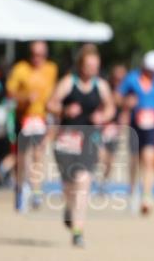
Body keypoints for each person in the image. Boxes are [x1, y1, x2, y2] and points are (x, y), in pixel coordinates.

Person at [46, 44, 115, 247]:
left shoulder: (101, 86)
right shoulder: (68, 83)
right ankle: (69, 208)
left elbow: (111, 107)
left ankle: (78, 232)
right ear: (80, 65)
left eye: (96, 66)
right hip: (67, 139)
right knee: (69, 185)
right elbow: (50, 104)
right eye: (89, 65)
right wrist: (65, 110)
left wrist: (103, 116)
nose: (93, 69)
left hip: (89, 139)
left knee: (83, 180)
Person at [6, 40, 58, 211]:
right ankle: (20, 188)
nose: (38, 58)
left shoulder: (51, 69)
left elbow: (54, 93)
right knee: (22, 157)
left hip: (42, 119)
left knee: (38, 154)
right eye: (35, 54)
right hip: (23, 118)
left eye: (41, 54)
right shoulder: (21, 68)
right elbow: (10, 93)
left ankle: (36, 190)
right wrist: (25, 98)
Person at [119, 50, 154, 215]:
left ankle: (147, 197)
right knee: (134, 160)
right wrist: (127, 102)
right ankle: (133, 190)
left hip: (152, 125)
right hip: (135, 124)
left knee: (149, 160)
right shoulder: (132, 78)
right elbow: (117, 96)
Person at [96, 63, 128, 193]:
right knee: (100, 155)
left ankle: (104, 181)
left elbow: (125, 111)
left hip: (115, 129)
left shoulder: (125, 92)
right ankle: (96, 176)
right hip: (102, 127)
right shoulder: (105, 88)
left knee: (110, 159)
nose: (118, 80)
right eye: (117, 77)